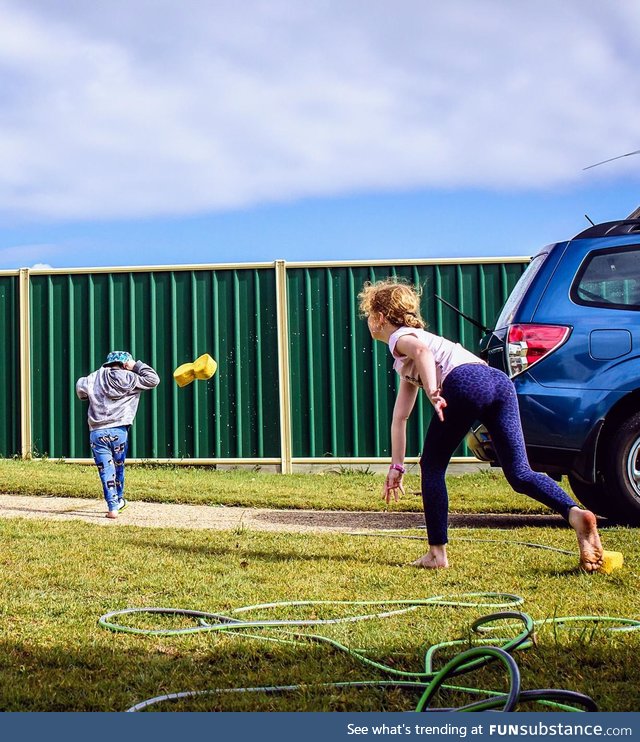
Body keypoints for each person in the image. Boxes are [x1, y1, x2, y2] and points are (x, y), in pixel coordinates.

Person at [358, 278, 604, 572]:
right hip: (497, 383)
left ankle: (437, 554)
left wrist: (435, 391)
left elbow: (422, 354)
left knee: (433, 467)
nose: (368, 322)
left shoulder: (401, 338)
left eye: (369, 315)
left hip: (464, 382)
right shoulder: (408, 358)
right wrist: (396, 466)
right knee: (520, 473)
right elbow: (401, 417)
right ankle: (576, 514)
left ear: (380, 317)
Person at [76, 351, 160, 519]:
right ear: (124, 365)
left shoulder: (94, 378)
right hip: (119, 431)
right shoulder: (131, 379)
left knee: (105, 469)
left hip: (97, 431)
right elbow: (154, 379)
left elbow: (81, 389)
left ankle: (112, 507)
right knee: (118, 466)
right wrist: (135, 365)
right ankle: (119, 499)